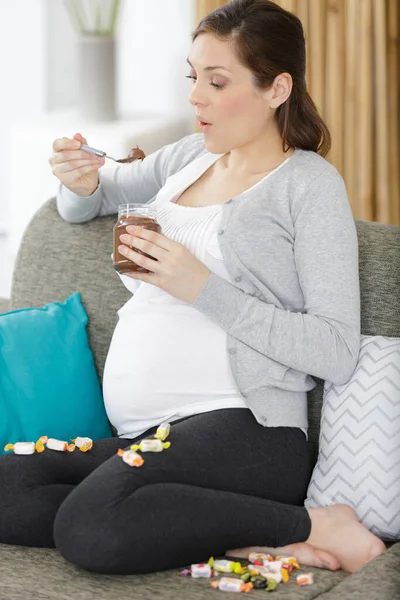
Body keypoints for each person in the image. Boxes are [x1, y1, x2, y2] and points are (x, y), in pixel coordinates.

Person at [0, 0, 386, 576]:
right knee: (10, 482)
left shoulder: (309, 186)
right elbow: (91, 200)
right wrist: (78, 180)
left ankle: (313, 524)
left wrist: (199, 285)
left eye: (217, 80)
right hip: (153, 437)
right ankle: (203, 522)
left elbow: (334, 350)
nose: (195, 96)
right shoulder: (188, 156)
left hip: (246, 431)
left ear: (277, 88)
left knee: (89, 526)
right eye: (193, 76)